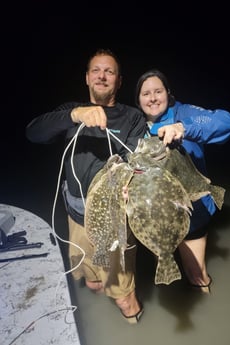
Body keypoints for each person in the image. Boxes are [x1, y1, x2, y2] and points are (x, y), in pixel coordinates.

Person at [26, 48, 147, 324]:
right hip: (76, 216)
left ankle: (135, 322)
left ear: (119, 81)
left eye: (109, 71)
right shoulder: (71, 111)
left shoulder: (132, 118)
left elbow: (139, 161)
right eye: (96, 70)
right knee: (91, 280)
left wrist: (134, 184)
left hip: (114, 221)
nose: (102, 76)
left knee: (124, 297)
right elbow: (33, 132)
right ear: (87, 78)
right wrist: (75, 115)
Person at [135, 69, 230, 293]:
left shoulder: (183, 113)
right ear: (138, 100)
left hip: (192, 209)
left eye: (158, 91)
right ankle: (170, 306)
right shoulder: (135, 126)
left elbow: (227, 122)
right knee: (162, 265)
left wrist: (184, 128)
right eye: (146, 93)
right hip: (156, 214)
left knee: (197, 274)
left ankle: (207, 311)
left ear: (168, 94)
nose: (152, 98)